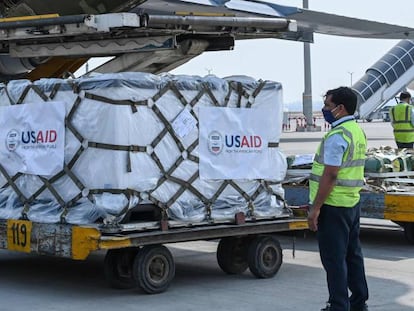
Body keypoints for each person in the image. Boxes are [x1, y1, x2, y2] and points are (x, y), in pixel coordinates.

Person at [307, 87, 369, 311]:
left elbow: (331, 174)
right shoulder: (356, 130)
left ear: (340, 108)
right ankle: (359, 302)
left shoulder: (338, 135)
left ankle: (338, 305)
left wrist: (315, 209)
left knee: (334, 259)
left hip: (333, 206)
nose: (324, 109)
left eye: (327, 105)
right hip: (351, 203)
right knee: (353, 255)